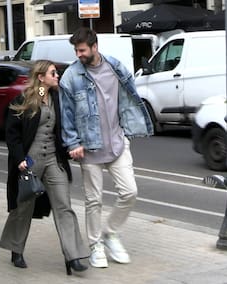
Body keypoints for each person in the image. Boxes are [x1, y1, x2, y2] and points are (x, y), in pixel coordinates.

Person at [59, 27, 154, 268]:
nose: (78, 54)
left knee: (129, 192)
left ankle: (111, 233)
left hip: (118, 142)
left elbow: (130, 98)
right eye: (76, 50)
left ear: (94, 47)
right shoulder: (71, 76)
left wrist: (129, 126)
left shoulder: (115, 67)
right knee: (94, 200)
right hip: (89, 148)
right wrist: (73, 143)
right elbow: (66, 115)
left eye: (82, 50)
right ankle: (95, 245)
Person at [0, 60, 90, 275]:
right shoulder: (26, 100)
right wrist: (20, 158)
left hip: (53, 160)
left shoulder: (58, 98)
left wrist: (73, 146)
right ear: (41, 77)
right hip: (30, 161)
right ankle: (15, 248)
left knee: (64, 206)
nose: (57, 75)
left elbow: (67, 126)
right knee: (23, 207)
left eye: (57, 73)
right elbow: (12, 134)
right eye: (52, 73)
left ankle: (73, 256)